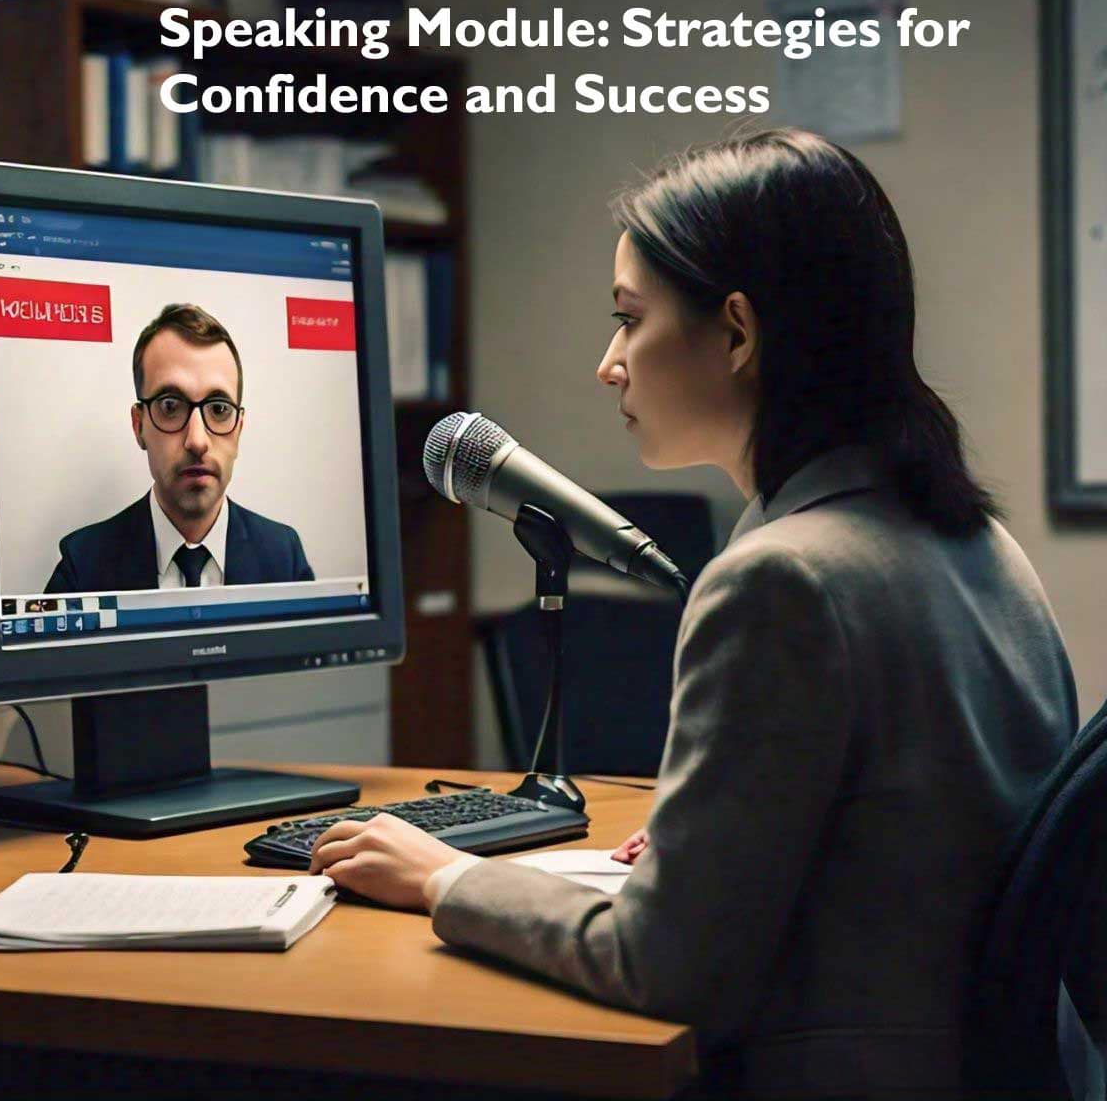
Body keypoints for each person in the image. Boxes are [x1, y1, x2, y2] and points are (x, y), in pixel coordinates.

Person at [306, 129, 1079, 1095]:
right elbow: (902, 843)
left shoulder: (780, 581)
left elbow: (666, 967)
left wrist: (442, 878)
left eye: (629, 319)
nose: (609, 363)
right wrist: (710, 850)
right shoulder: (976, 544)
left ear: (739, 333)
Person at [45, 303, 313, 593]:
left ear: (239, 429)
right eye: (170, 406)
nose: (197, 441)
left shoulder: (284, 559)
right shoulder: (83, 566)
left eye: (219, 409)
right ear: (139, 426)